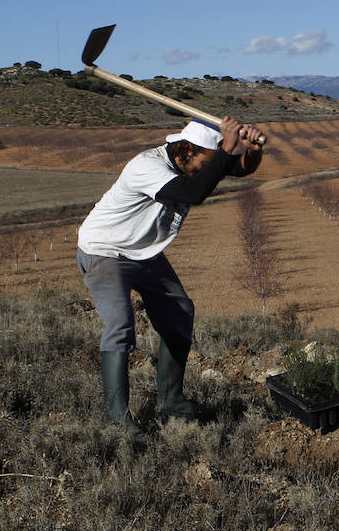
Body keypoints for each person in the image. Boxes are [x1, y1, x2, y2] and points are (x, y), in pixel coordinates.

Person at [77, 116, 265, 430]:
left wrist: (251, 148)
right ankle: (118, 418)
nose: (208, 169)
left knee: (180, 312)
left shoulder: (193, 161)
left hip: (143, 252)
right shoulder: (146, 167)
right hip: (105, 250)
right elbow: (193, 192)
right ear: (183, 153)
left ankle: (171, 400)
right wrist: (228, 148)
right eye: (205, 162)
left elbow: (239, 167)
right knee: (121, 324)